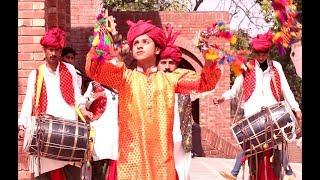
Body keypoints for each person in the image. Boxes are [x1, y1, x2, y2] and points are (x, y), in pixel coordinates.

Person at [84, 19, 222, 179]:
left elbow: (206, 82)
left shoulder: (170, 80)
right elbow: (94, 70)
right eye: (136, 43)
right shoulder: (124, 78)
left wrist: (208, 53)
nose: (139, 45)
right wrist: (100, 41)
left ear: (157, 48)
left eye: (145, 41)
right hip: (131, 163)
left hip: (162, 164)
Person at [214, 32, 302, 180]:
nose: (261, 57)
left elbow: (286, 89)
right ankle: (234, 173)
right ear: (254, 53)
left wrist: (296, 108)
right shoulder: (246, 67)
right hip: (252, 114)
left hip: (273, 112)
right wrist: (223, 97)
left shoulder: (276, 67)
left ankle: (288, 173)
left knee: (276, 143)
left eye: (264, 54)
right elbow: (235, 89)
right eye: (258, 54)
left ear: (268, 53)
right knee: (248, 145)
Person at [18, 27, 92, 180]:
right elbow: (28, 102)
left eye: (57, 50)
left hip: (68, 133)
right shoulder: (36, 74)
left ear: (60, 51)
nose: (53, 54)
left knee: (71, 174)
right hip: (44, 133)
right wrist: (22, 126)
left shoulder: (70, 70)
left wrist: (83, 109)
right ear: (44, 50)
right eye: (50, 49)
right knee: (44, 176)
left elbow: (77, 97)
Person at [157, 24, 193, 180]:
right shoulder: (148, 84)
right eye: (163, 62)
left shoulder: (184, 84)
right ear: (157, 65)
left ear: (176, 65)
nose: (167, 67)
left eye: (171, 63)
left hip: (180, 140)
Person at [82, 81, 119, 180]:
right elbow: (83, 104)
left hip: (114, 137)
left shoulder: (118, 84)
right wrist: (93, 95)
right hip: (99, 137)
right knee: (99, 172)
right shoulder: (94, 84)